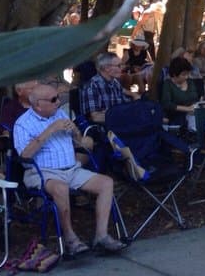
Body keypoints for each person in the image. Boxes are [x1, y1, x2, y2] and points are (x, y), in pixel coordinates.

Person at [14, 80, 126, 254]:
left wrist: (75, 131)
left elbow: (79, 142)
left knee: (106, 183)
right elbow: (24, 156)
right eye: (53, 100)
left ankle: (101, 236)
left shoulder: (60, 114)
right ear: (38, 104)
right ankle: (70, 238)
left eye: (58, 97)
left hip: (71, 169)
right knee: (61, 188)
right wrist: (49, 130)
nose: (58, 102)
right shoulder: (23, 123)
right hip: (42, 173)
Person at [80, 52, 134, 124]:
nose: (122, 68)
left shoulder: (114, 82)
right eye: (119, 65)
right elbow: (96, 118)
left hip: (120, 124)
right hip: (108, 129)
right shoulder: (92, 86)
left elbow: (124, 103)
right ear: (107, 68)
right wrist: (123, 115)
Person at [160, 56, 199, 128]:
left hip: (193, 112)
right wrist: (187, 109)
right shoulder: (168, 84)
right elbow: (166, 104)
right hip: (176, 116)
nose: (186, 77)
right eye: (183, 74)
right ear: (175, 74)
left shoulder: (190, 82)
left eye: (187, 74)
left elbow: (195, 97)